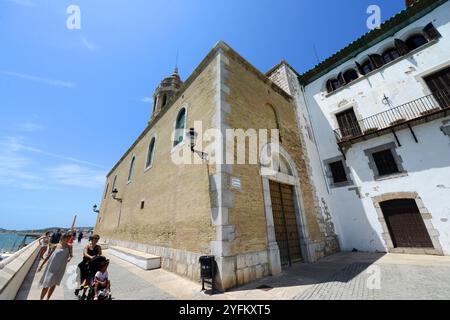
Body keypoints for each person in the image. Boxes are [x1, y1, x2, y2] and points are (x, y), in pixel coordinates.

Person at [37, 233, 73, 300]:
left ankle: (48, 298)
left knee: (53, 284)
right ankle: (41, 299)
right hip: (51, 267)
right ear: (62, 238)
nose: (68, 239)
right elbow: (48, 256)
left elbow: (71, 255)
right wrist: (41, 266)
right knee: (46, 284)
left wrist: (69, 258)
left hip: (60, 268)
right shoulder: (56, 246)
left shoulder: (69, 246)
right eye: (67, 238)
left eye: (69, 238)